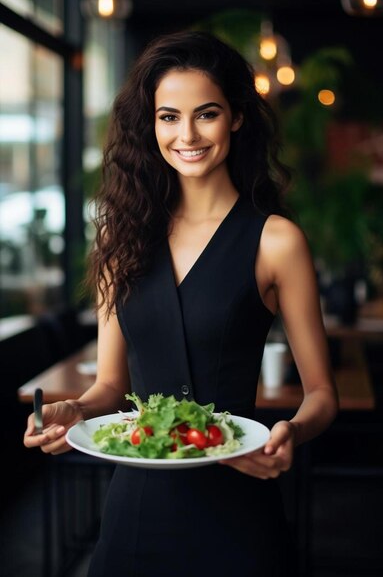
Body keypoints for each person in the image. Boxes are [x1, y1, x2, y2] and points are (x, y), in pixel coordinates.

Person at [24, 30, 339, 576]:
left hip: (239, 503)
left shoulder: (276, 240)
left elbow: (322, 394)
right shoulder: (118, 239)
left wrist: (292, 430)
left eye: (206, 114)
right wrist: (76, 410)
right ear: (150, 125)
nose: (186, 134)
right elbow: (109, 386)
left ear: (236, 118)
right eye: (168, 116)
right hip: (136, 511)